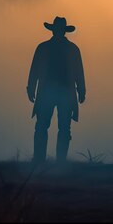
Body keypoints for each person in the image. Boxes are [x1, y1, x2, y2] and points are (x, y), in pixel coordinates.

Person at [27, 16, 86, 164]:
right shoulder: (72, 49)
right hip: (63, 93)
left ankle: (43, 160)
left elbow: (34, 70)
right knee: (60, 128)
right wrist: (81, 89)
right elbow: (78, 71)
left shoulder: (44, 47)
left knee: (45, 127)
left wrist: (31, 87)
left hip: (50, 92)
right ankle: (58, 161)